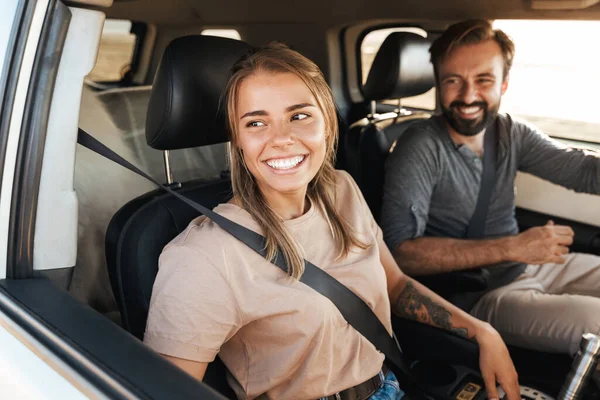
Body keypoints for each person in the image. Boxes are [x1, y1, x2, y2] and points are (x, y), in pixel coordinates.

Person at [143, 42, 520, 400]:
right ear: (238, 139)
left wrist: (482, 332)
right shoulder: (204, 257)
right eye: (256, 124)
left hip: (389, 385)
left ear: (327, 121)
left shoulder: (342, 191)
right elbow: (163, 391)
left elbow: (393, 284)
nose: (282, 139)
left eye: (299, 116)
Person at [380, 19, 600, 365]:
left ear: (504, 84)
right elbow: (402, 254)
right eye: (454, 81)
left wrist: (521, 252)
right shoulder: (420, 146)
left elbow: (586, 173)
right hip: (477, 293)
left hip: (531, 267)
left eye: (483, 80)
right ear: (439, 83)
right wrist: (515, 246)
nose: (468, 96)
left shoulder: (510, 132)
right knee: (597, 321)